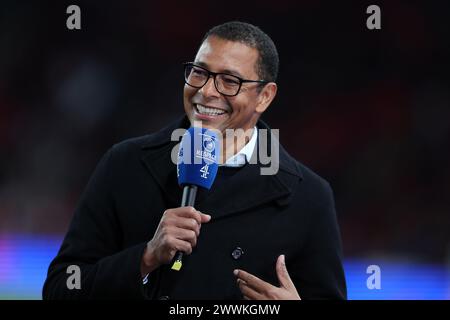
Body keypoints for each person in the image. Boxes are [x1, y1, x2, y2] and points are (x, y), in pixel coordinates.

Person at [43, 21, 347, 300]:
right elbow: (60, 289)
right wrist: (146, 258)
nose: (206, 91)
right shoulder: (125, 164)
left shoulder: (309, 196)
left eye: (229, 81)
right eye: (199, 72)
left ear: (264, 96)